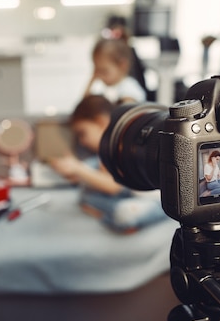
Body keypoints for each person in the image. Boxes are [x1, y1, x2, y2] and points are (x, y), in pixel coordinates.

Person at [49, 95, 168, 233]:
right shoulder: (103, 154)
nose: (81, 141)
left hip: (153, 199)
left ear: (100, 122)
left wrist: (78, 169)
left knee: (124, 213)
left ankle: (112, 217)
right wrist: (76, 173)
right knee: (85, 194)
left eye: (83, 133)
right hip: (127, 194)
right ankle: (108, 213)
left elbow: (113, 187)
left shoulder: (120, 146)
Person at [83, 38, 147, 104]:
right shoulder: (104, 88)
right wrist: (92, 80)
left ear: (123, 66)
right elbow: (85, 105)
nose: (100, 76)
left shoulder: (129, 87)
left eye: (104, 71)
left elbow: (126, 110)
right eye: (96, 70)